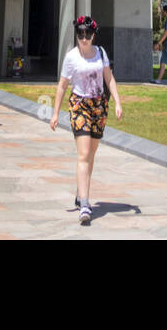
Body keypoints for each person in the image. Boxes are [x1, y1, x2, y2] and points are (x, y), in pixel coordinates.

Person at [51, 15, 122, 226]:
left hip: (99, 106)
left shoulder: (100, 53)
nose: (84, 38)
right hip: (80, 106)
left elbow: (108, 77)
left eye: (88, 34)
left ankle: (80, 191)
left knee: (91, 154)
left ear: (93, 35)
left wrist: (117, 102)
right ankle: (84, 204)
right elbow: (62, 86)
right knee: (83, 154)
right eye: (80, 34)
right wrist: (55, 114)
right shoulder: (71, 57)